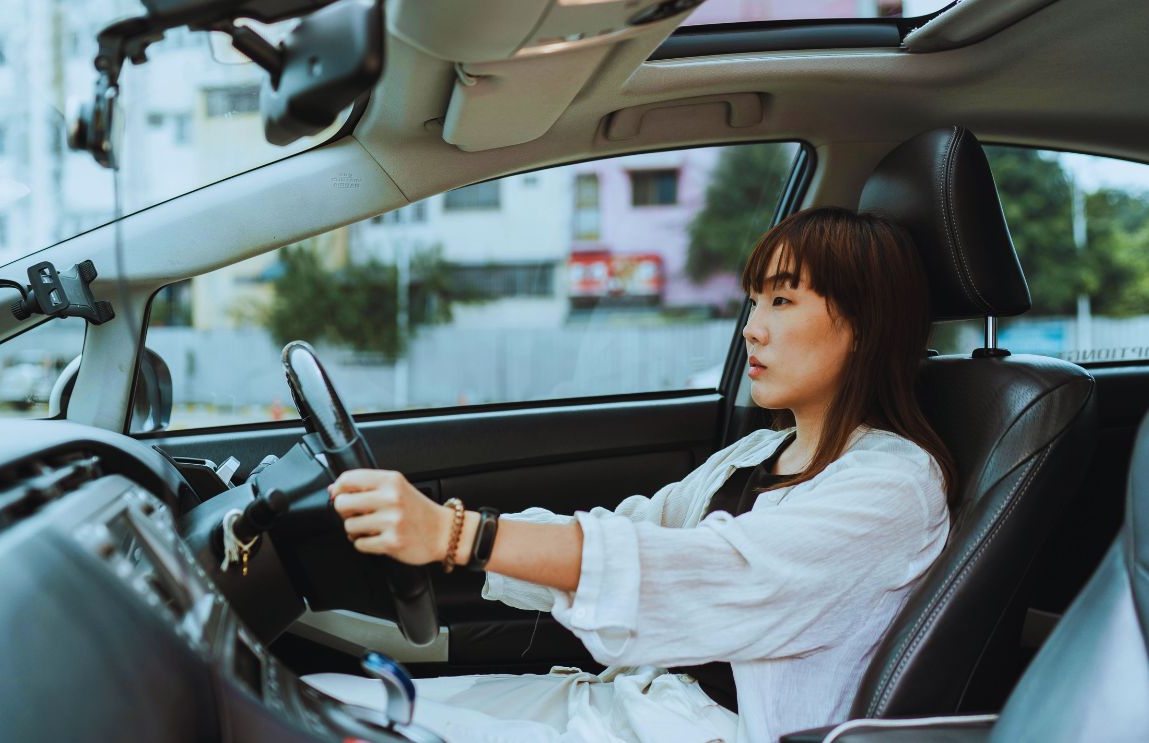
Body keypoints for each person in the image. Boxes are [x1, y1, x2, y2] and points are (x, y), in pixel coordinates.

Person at [303, 206, 956, 743]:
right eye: (753, 301)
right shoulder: (754, 454)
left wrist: (456, 534)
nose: (750, 330)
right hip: (628, 701)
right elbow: (630, 530)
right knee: (317, 700)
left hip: (704, 732)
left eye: (781, 300)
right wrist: (455, 546)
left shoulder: (893, 487)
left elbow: (702, 570)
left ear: (864, 326)